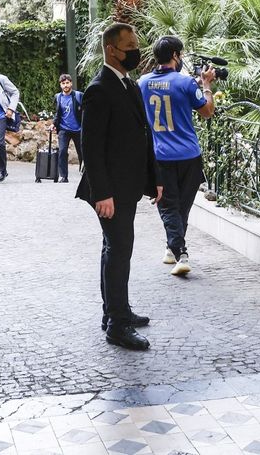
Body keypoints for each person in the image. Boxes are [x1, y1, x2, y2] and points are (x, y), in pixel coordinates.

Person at [75, 22, 162, 351]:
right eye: (130, 47)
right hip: (110, 191)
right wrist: (103, 194)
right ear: (112, 50)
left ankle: (114, 311)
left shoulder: (129, 85)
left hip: (126, 186)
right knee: (119, 251)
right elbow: (91, 147)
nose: (136, 52)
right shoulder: (99, 89)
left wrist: (153, 181)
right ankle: (117, 325)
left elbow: (142, 135)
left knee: (114, 250)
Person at [138, 36, 216, 276]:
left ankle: (172, 249)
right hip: (189, 155)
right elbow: (207, 112)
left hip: (160, 156)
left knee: (171, 207)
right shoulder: (185, 83)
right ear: (174, 56)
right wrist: (206, 85)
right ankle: (181, 252)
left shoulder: (142, 83)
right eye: (180, 54)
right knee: (179, 207)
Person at [52, 74, 83, 183]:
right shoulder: (58, 97)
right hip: (64, 129)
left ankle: (83, 172)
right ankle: (64, 176)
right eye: (63, 83)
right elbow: (57, 113)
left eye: (67, 83)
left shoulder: (79, 96)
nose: (65, 85)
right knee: (62, 151)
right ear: (60, 85)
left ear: (71, 83)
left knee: (82, 152)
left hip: (78, 129)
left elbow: (85, 111)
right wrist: (53, 124)